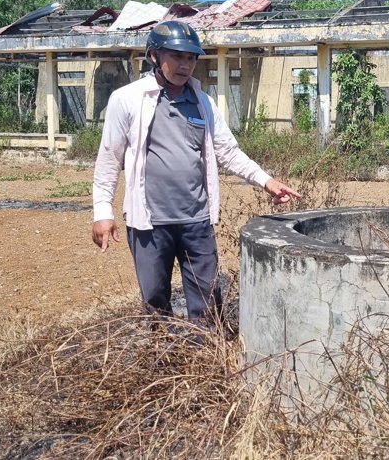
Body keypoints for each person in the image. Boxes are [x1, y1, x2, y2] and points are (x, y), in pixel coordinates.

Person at [91, 20, 300, 329]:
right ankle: (163, 366)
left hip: (196, 221)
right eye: (176, 56)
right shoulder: (128, 99)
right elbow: (109, 158)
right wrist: (102, 211)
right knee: (155, 302)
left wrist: (266, 180)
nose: (185, 65)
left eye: (191, 58)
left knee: (206, 301)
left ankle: (204, 362)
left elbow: (227, 151)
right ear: (154, 56)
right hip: (149, 223)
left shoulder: (203, 103)